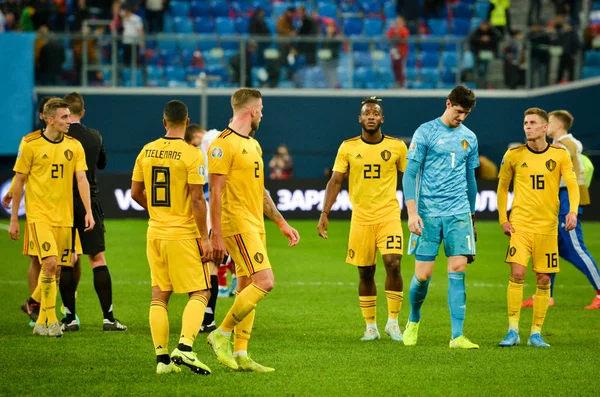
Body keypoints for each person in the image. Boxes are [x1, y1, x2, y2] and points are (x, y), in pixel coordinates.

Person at [206, 88, 300, 372]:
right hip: (236, 223)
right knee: (265, 281)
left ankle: (241, 353)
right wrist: (217, 234)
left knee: (247, 286)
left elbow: (260, 191)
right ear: (252, 110)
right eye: (261, 109)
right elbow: (216, 191)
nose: (262, 113)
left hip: (255, 224)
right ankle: (220, 334)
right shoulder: (222, 145)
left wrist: (281, 222)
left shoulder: (253, 145)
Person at [130, 100, 214, 375]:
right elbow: (198, 200)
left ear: (164, 122)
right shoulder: (192, 154)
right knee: (201, 291)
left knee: (159, 295)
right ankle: (186, 348)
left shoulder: (146, 150)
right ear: (187, 122)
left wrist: (155, 211)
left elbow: (134, 193)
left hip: (155, 231)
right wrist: (205, 237)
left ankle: (162, 360)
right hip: (183, 233)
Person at [317, 97, 408, 342]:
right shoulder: (347, 147)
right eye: (366, 113)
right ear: (360, 118)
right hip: (360, 218)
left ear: (382, 119)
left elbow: (410, 179)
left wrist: (416, 209)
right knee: (365, 273)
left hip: (389, 215)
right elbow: (335, 181)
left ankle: (392, 322)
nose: (370, 116)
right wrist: (325, 212)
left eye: (375, 113)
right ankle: (371, 327)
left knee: (393, 264)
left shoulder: (398, 147)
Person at [8, 99, 95, 337]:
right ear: (49, 119)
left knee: (56, 271)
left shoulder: (74, 146)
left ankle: (39, 320)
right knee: (49, 262)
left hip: (64, 217)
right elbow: (20, 180)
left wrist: (88, 211)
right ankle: (53, 320)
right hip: (39, 216)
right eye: (64, 117)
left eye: (69, 116)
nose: (69, 121)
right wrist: (14, 218)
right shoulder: (30, 143)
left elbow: (81, 180)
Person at [402, 85, 480, 349]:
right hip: (427, 214)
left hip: (458, 214)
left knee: (458, 270)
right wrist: (412, 213)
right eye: (459, 111)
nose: (461, 117)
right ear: (448, 104)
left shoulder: (470, 137)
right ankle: (413, 320)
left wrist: (471, 215)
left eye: (466, 113)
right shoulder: (426, 131)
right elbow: (409, 175)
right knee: (422, 276)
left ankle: (457, 336)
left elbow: (471, 180)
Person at [497, 107, 579, 348]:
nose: (527, 126)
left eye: (533, 122)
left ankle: (536, 333)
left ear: (545, 128)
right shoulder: (513, 155)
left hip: (548, 227)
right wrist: (503, 218)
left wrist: (572, 210)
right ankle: (512, 331)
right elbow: (502, 188)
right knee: (517, 274)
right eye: (525, 122)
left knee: (544, 279)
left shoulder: (560, 155)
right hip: (520, 226)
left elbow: (572, 185)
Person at [520, 110, 600, 309]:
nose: (547, 125)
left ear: (558, 125)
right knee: (550, 249)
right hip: (557, 202)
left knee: (576, 249)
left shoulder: (565, 145)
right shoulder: (567, 145)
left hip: (565, 203)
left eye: (550, 122)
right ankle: (546, 295)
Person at [62, 92, 127, 332]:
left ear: (65, 112)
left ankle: (69, 318)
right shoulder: (94, 136)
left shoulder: (60, 136)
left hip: (62, 203)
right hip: (89, 201)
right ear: (83, 111)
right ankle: (108, 318)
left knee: (66, 260)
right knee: (97, 258)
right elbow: (102, 164)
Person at [3, 96, 57, 325]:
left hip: (60, 211)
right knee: (39, 260)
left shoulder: (67, 141)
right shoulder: (30, 141)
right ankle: (38, 311)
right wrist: (13, 196)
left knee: (57, 265)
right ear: (44, 116)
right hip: (39, 211)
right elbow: (21, 172)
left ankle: (37, 304)